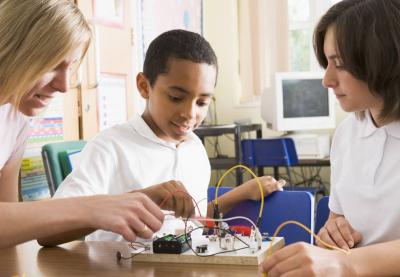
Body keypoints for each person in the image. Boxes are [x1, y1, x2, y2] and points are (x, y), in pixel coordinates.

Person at [38, 29, 285, 245]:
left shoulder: (194, 148)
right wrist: (142, 199)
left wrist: (241, 193)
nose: (190, 113)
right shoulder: (110, 147)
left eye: (202, 102)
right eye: (176, 97)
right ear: (145, 86)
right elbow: (47, 231)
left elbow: (190, 223)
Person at [0, 0, 164, 249]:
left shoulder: (16, 121)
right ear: (13, 47)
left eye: (70, 67)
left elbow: (7, 231)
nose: (64, 86)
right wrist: (88, 208)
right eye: (54, 65)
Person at [261, 0, 400, 276]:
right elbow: (337, 220)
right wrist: (333, 230)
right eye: (327, 63)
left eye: (340, 64)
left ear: (383, 58)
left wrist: (344, 263)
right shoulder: (347, 134)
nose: (326, 80)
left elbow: (344, 262)